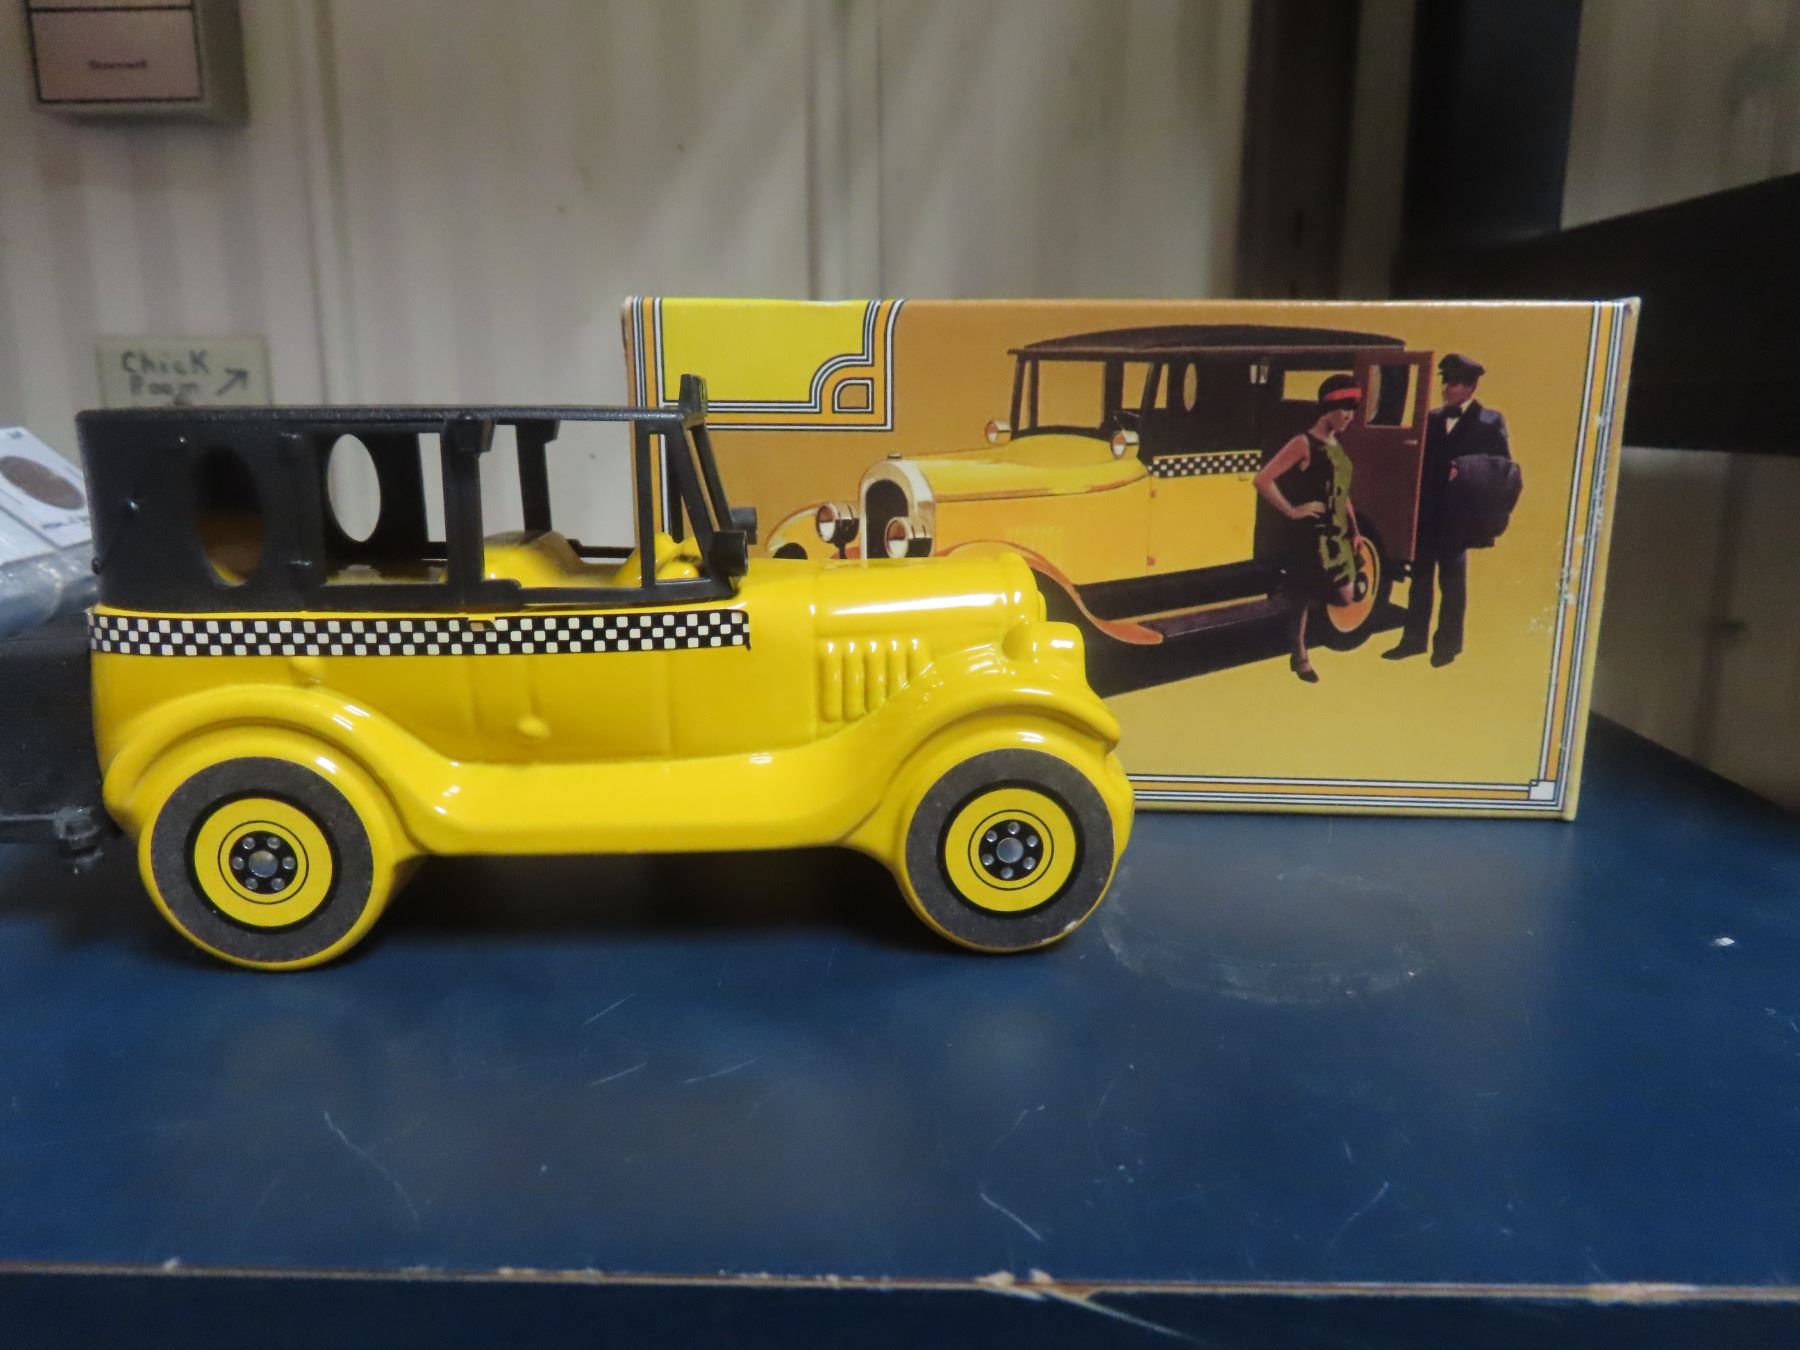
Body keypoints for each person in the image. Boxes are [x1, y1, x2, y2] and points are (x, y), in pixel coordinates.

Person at [1384, 352, 1510, 667]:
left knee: (1452, 583)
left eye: (1453, 383)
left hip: (1459, 515)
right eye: (1445, 382)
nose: (1446, 389)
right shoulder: (1432, 419)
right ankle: (1413, 641)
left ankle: (1448, 646)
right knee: (1420, 580)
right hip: (1428, 513)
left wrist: (1465, 467)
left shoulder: (1489, 421)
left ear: (1470, 387)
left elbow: (1502, 466)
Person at [1254, 374, 1363, 683]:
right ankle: (1299, 654)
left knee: (1346, 596)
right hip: (1312, 535)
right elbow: (1263, 480)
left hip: (1338, 534)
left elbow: (1343, 492)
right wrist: (1292, 511)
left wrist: (1355, 529)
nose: (1350, 417)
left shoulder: (1336, 443)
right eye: (1345, 409)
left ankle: (1302, 606)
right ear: (1328, 408)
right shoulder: (1302, 443)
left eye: (1353, 410)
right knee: (1301, 597)